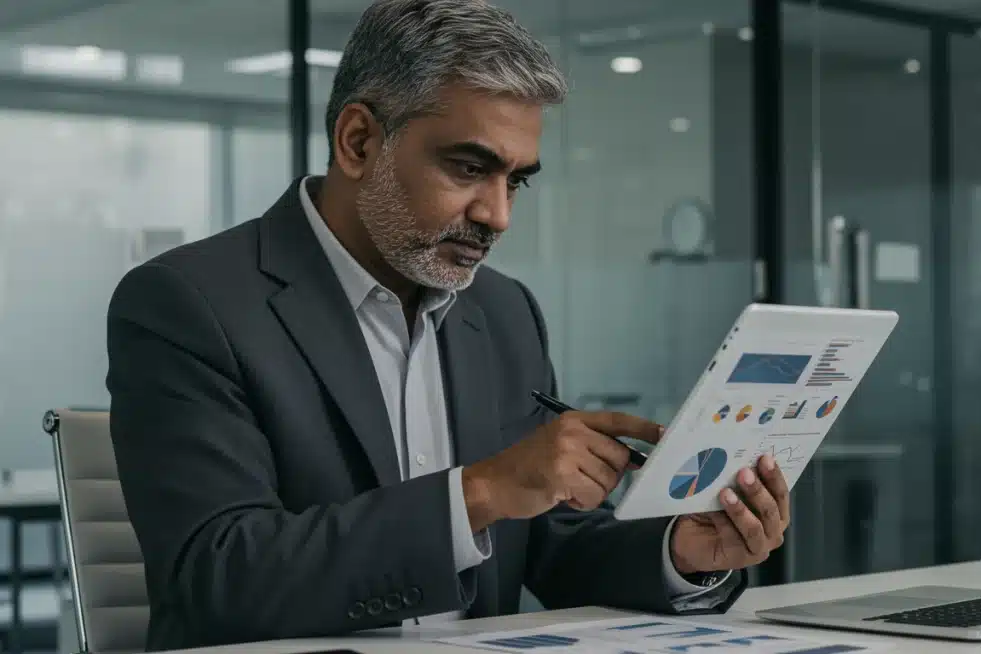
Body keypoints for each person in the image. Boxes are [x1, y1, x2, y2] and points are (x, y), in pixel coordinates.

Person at [105, 0, 790, 650]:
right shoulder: (189, 303)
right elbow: (219, 575)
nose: (499, 215)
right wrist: (481, 491)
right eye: (469, 167)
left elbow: (553, 543)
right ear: (358, 141)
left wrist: (684, 552)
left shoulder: (505, 311)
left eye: (517, 180)